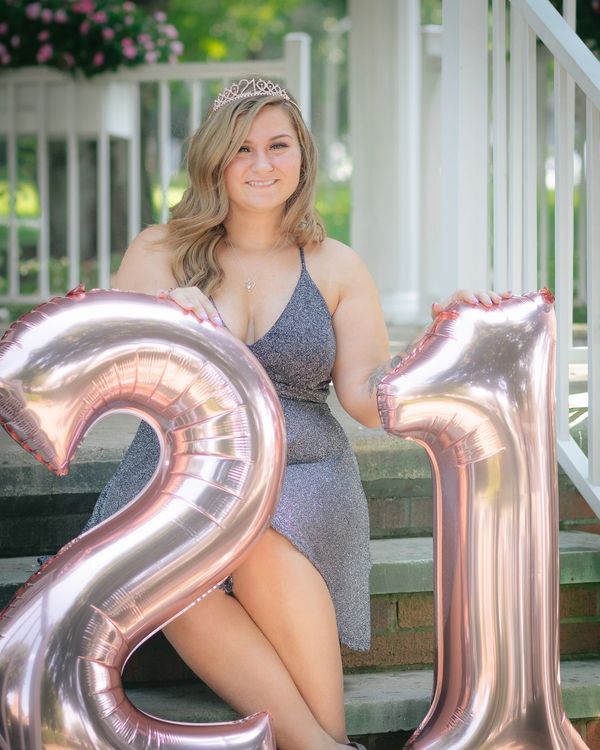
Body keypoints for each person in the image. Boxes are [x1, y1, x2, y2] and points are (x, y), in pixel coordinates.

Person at [82, 77, 506, 750]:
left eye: (278, 146)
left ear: (303, 157)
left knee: (259, 533)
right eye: (242, 148)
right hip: (181, 467)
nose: (261, 164)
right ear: (215, 159)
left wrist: (441, 346)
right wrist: (167, 320)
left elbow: (367, 397)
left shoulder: (336, 266)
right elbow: (113, 373)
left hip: (303, 466)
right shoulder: (158, 252)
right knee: (176, 567)